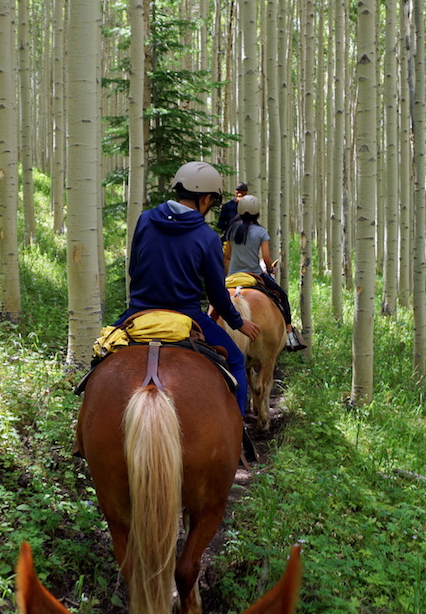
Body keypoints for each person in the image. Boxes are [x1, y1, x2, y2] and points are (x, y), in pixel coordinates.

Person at [117, 161, 261, 427]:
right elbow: (217, 293)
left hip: (139, 311)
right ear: (206, 198)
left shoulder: (145, 219)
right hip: (186, 314)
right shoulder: (206, 237)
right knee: (237, 362)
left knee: (100, 357)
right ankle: (238, 429)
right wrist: (238, 323)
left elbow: (134, 268)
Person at [222, 195, 307, 351]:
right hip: (254, 274)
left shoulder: (232, 230)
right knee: (282, 296)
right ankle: (289, 334)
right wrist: (270, 268)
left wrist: (227, 275)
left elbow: (227, 256)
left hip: (232, 276)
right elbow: (267, 258)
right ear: (257, 213)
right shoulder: (260, 232)